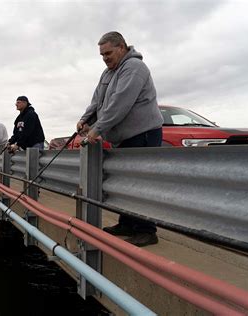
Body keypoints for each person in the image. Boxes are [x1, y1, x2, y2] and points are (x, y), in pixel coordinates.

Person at [76, 31, 164, 247]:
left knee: (140, 183)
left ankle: (146, 230)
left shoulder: (134, 68)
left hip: (143, 134)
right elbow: (97, 102)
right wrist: (85, 120)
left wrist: (97, 130)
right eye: (102, 55)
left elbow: (119, 104)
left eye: (108, 53)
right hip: (123, 137)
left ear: (122, 47)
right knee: (125, 183)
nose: (105, 58)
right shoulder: (107, 74)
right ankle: (127, 223)